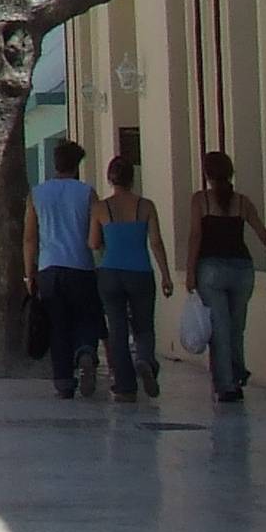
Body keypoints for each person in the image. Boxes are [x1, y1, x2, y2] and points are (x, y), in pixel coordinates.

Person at [184, 151, 266, 405]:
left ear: (207, 174)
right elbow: (263, 234)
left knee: (220, 329)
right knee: (237, 328)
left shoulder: (200, 200)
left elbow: (195, 236)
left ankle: (225, 384)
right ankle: (236, 375)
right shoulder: (242, 203)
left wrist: (190, 271)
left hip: (211, 269)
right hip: (242, 269)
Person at [88, 155, 173, 403]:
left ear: (110, 179)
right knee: (144, 325)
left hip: (110, 272)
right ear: (133, 178)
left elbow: (93, 243)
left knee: (117, 328)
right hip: (140, 271)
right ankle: (145, 360)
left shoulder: (101, 208)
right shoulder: (146, 206)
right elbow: (155, 242)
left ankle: (125, 386)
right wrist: (166, 275)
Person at [24, 139, 103, 398]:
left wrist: (29, 272)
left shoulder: (37, 194)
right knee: (86, 317)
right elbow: (97, 232)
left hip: (49, 268)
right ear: (77, 165)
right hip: (81, 266)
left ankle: (63, 381)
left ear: (54, 163)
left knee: (58, 324)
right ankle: (85, 351)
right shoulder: (87, 193)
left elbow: (30, 238)